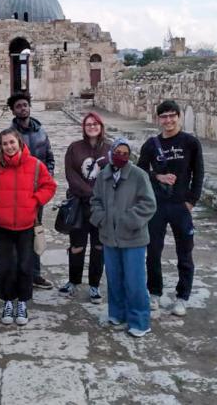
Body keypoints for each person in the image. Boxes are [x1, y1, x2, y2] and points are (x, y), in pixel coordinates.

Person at [137, 100, 204, 317]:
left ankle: (182, 296)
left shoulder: (190, 143)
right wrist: (158, 176)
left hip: (180, 205)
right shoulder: (151, 144)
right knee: (153, 252)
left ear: (179, 116)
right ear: (159, 119)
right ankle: (154, 292)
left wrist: (191, 201)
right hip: (156, 206)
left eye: (172, 116)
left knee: (184, 253)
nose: (168, 120)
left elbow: (199, 174)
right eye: (164, 116)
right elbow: (140, 172)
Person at [0, 128, 57, 326]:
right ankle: (8, 301)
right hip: (2, 225)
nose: (9, 146)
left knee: (25, 265)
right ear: (1, 146)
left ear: (19, 143)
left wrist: (35, 200)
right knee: (6, 265)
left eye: (12, 142)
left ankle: (22, 302)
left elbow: (49, 186)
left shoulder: (34, 165)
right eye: (5, 143)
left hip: (26, 225)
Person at [90, 138, 157, 337]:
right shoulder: (103, 176)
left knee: (135, 281)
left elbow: (148, 204)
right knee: (114, 277)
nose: (121, 156)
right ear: (111, 153)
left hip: (133, 237)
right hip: (109, 236)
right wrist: (102, 219)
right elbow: (95, 201)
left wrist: (129, 220)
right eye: (117, 152)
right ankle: (117, 313)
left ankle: (139, 321)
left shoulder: (138, 175)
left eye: (125, 153)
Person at [59, 112, 111, 303]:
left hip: (102, 208)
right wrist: (90, 193)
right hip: (80, 205)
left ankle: (94, 285)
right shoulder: (75, 148)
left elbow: (113, 175)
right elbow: (71, 174)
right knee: (77, 246)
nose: (92, 127)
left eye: (95, 123)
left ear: (101, 126)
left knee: (99, 246)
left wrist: (99, 196)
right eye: (88, 124)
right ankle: (73, 281)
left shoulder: (109, 149)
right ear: (84, 127)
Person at [8, 92, 55, 290]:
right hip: (18, 195)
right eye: (18, 106)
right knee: (17, 236)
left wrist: (46, 179)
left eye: (25, 105)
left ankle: (35, 274)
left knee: (36, 233)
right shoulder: (9, 136)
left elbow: (50, 159)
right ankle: (18, 274)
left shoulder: (41, 132)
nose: (23, 108)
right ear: (13, 110)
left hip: (37, 195)